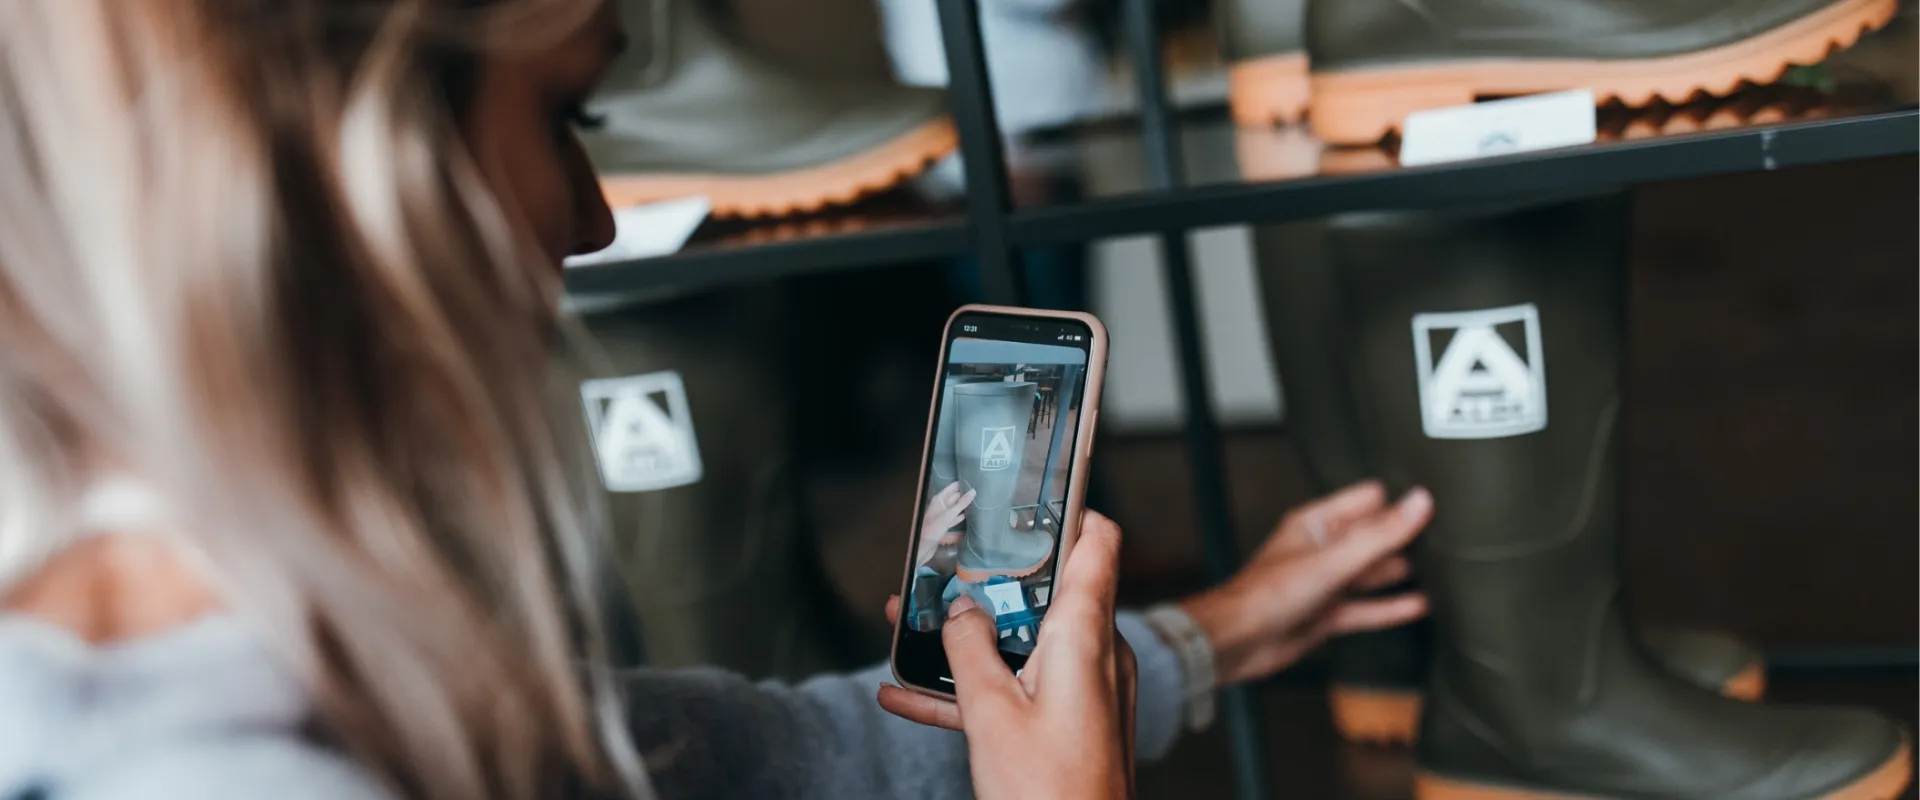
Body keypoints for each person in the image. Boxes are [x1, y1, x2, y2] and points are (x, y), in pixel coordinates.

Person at [0, 1, 1432, 798]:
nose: (595, 219)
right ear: (351, 163)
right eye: (569, 113)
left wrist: (1230, 625)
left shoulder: (305, 683)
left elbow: (789, 758)